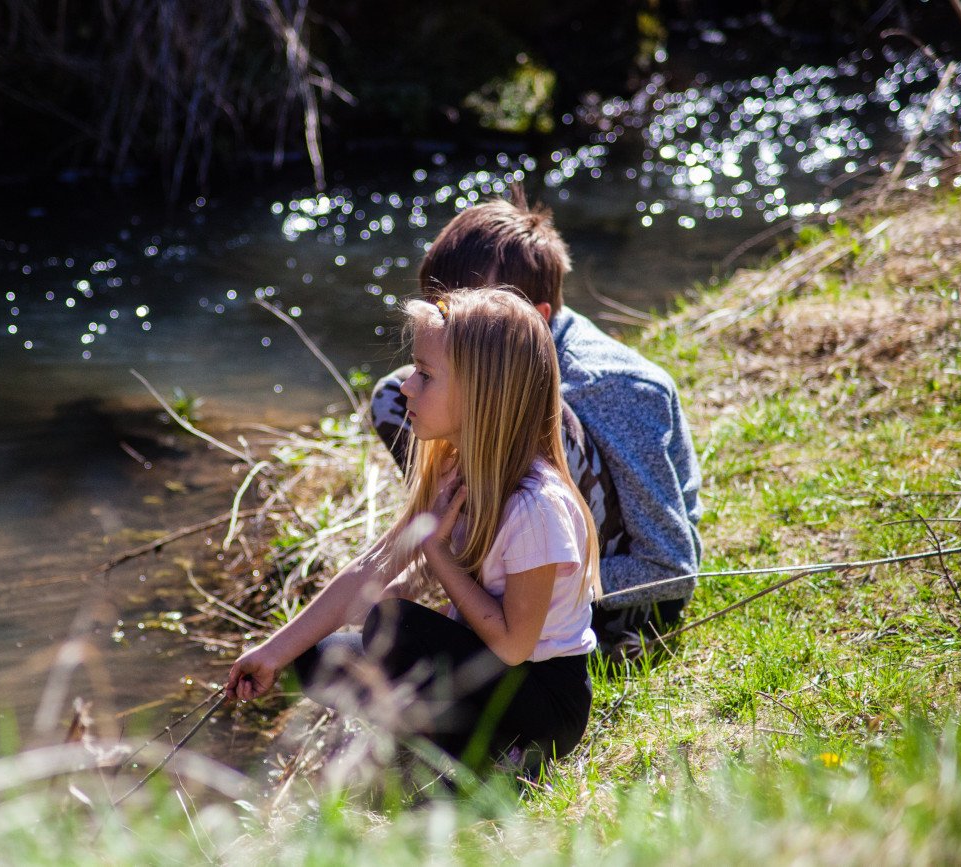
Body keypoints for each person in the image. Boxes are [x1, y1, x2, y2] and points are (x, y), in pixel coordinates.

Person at [227, 288, 600, 766]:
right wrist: (274, 651)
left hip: (543, 703)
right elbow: (375, 565)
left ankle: (483, 757)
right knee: (314, 658)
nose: (406, 387)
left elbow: (512, 645)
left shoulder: (535, 507)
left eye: (424, 375)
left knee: (395, 622)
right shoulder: (456, 468)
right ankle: (443, 745)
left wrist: (438, 554)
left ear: (482, 392)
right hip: (490, 674)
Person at [370, 192, 702, 663]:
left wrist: (535, 588)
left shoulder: (613, 387)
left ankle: (493, 585)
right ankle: (473, 555)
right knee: (394, 394)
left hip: (622, 608)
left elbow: (670, 568)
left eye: (472, 320)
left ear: (538, 316)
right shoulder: (483, 367)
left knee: (545, 420)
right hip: (508, 575)